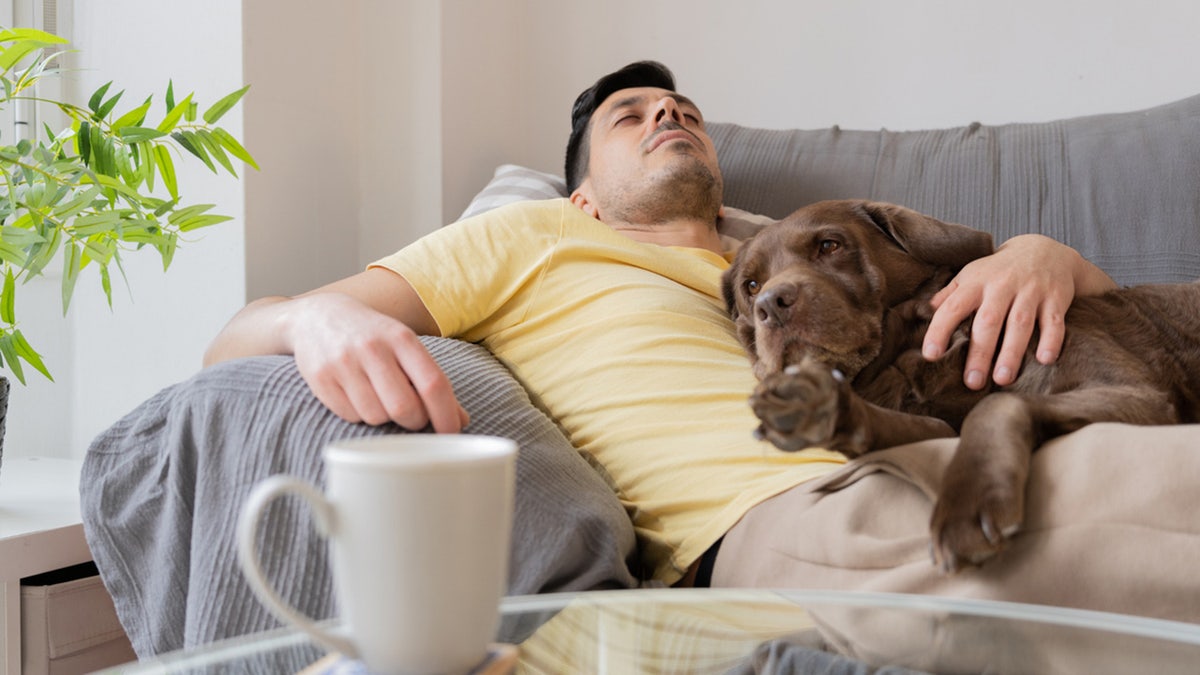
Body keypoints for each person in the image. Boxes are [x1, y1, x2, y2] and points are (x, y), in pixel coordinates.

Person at [205, 61, 1117, 588]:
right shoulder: (528, 234)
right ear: (584, 194)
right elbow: (229, 346)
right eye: (630, 117)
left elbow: (1081, 310)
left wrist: (1048, 254)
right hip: (794, 512)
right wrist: (317, 317)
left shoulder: (785, 251)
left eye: (681, 113)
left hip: (967, 439)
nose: (668, 116)